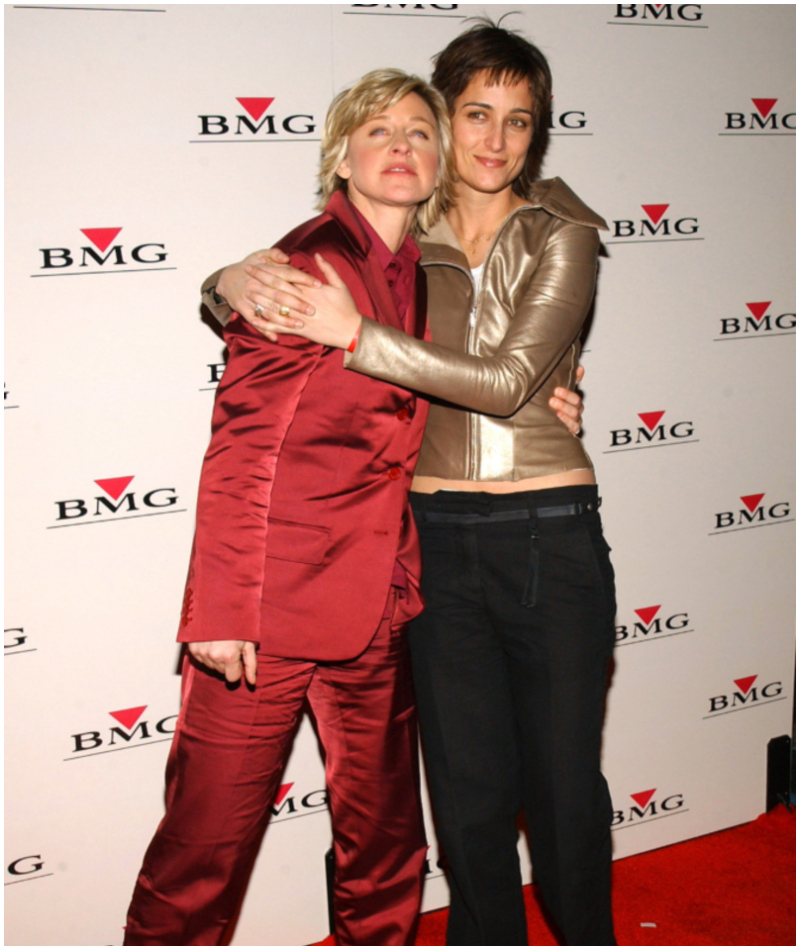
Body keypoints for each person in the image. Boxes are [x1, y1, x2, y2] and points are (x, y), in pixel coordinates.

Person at [210, 22, 617, 948]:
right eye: (475, 114)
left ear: (538, 133)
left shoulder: (567, 234)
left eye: (519, 121)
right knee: (467, 801)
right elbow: (283, 285)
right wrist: (225, 279)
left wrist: (357, 334)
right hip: (430, 539)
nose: (494, 140)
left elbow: (512, 383)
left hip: (549, 534)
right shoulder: (400, 231)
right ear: (442, 117)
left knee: (561, 794)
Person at [123, 69, 457, 947]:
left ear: (440, 160)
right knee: (203, 854)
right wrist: (221, 611)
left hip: (376, 607)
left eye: (420, 132)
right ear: (340, 155)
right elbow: (241, 451)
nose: (400, 146)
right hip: (262, 621)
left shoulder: (430, 273)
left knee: (387, 849)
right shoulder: (303, 266)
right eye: (378, 130)